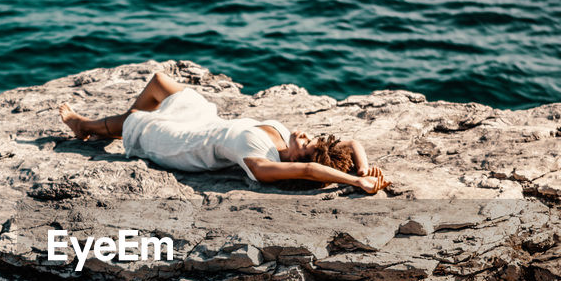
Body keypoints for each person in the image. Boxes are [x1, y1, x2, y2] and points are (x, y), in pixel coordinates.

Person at [58, 71, 390, 193]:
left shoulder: (263, 162)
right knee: (161, 82)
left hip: (185, 145)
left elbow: (307, 169)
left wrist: (355, 183)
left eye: (304, 143)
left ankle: (86, 126)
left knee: (140, 124)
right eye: (310, 137)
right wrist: (362, 168)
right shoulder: (285, 141)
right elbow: (350, 142)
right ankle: (108, 127)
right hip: (207, 121)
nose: (302, 135)